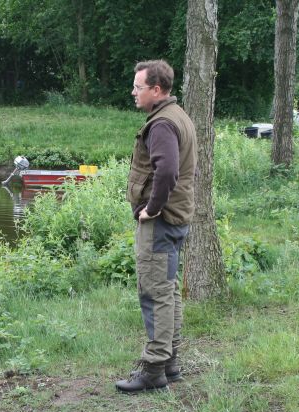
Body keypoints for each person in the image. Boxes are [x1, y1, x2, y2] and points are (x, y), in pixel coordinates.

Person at [114, 59, 197, 394]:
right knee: (168, 290)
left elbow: (168, 171)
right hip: (177, 218)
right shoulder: (177, 115)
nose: (133, 92)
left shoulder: (162, 123)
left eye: (138, 87)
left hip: (161, 222)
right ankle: (170, 363)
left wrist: (152, 208)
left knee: (155, 293)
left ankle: (153, 369)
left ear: (157, 89)